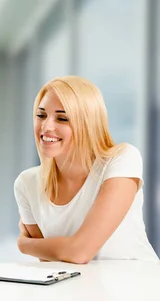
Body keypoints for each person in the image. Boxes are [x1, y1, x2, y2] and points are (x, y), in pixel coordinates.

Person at [14, 75, 159, 264]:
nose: (46, 126)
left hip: (135, 287)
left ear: (87, 123)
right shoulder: (26, 183)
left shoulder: (122, 160)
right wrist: (44, 249)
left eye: (62, 118)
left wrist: (24, 245)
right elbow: (50, 261)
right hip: (78, 290)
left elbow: (79, 253)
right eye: (41, 115)